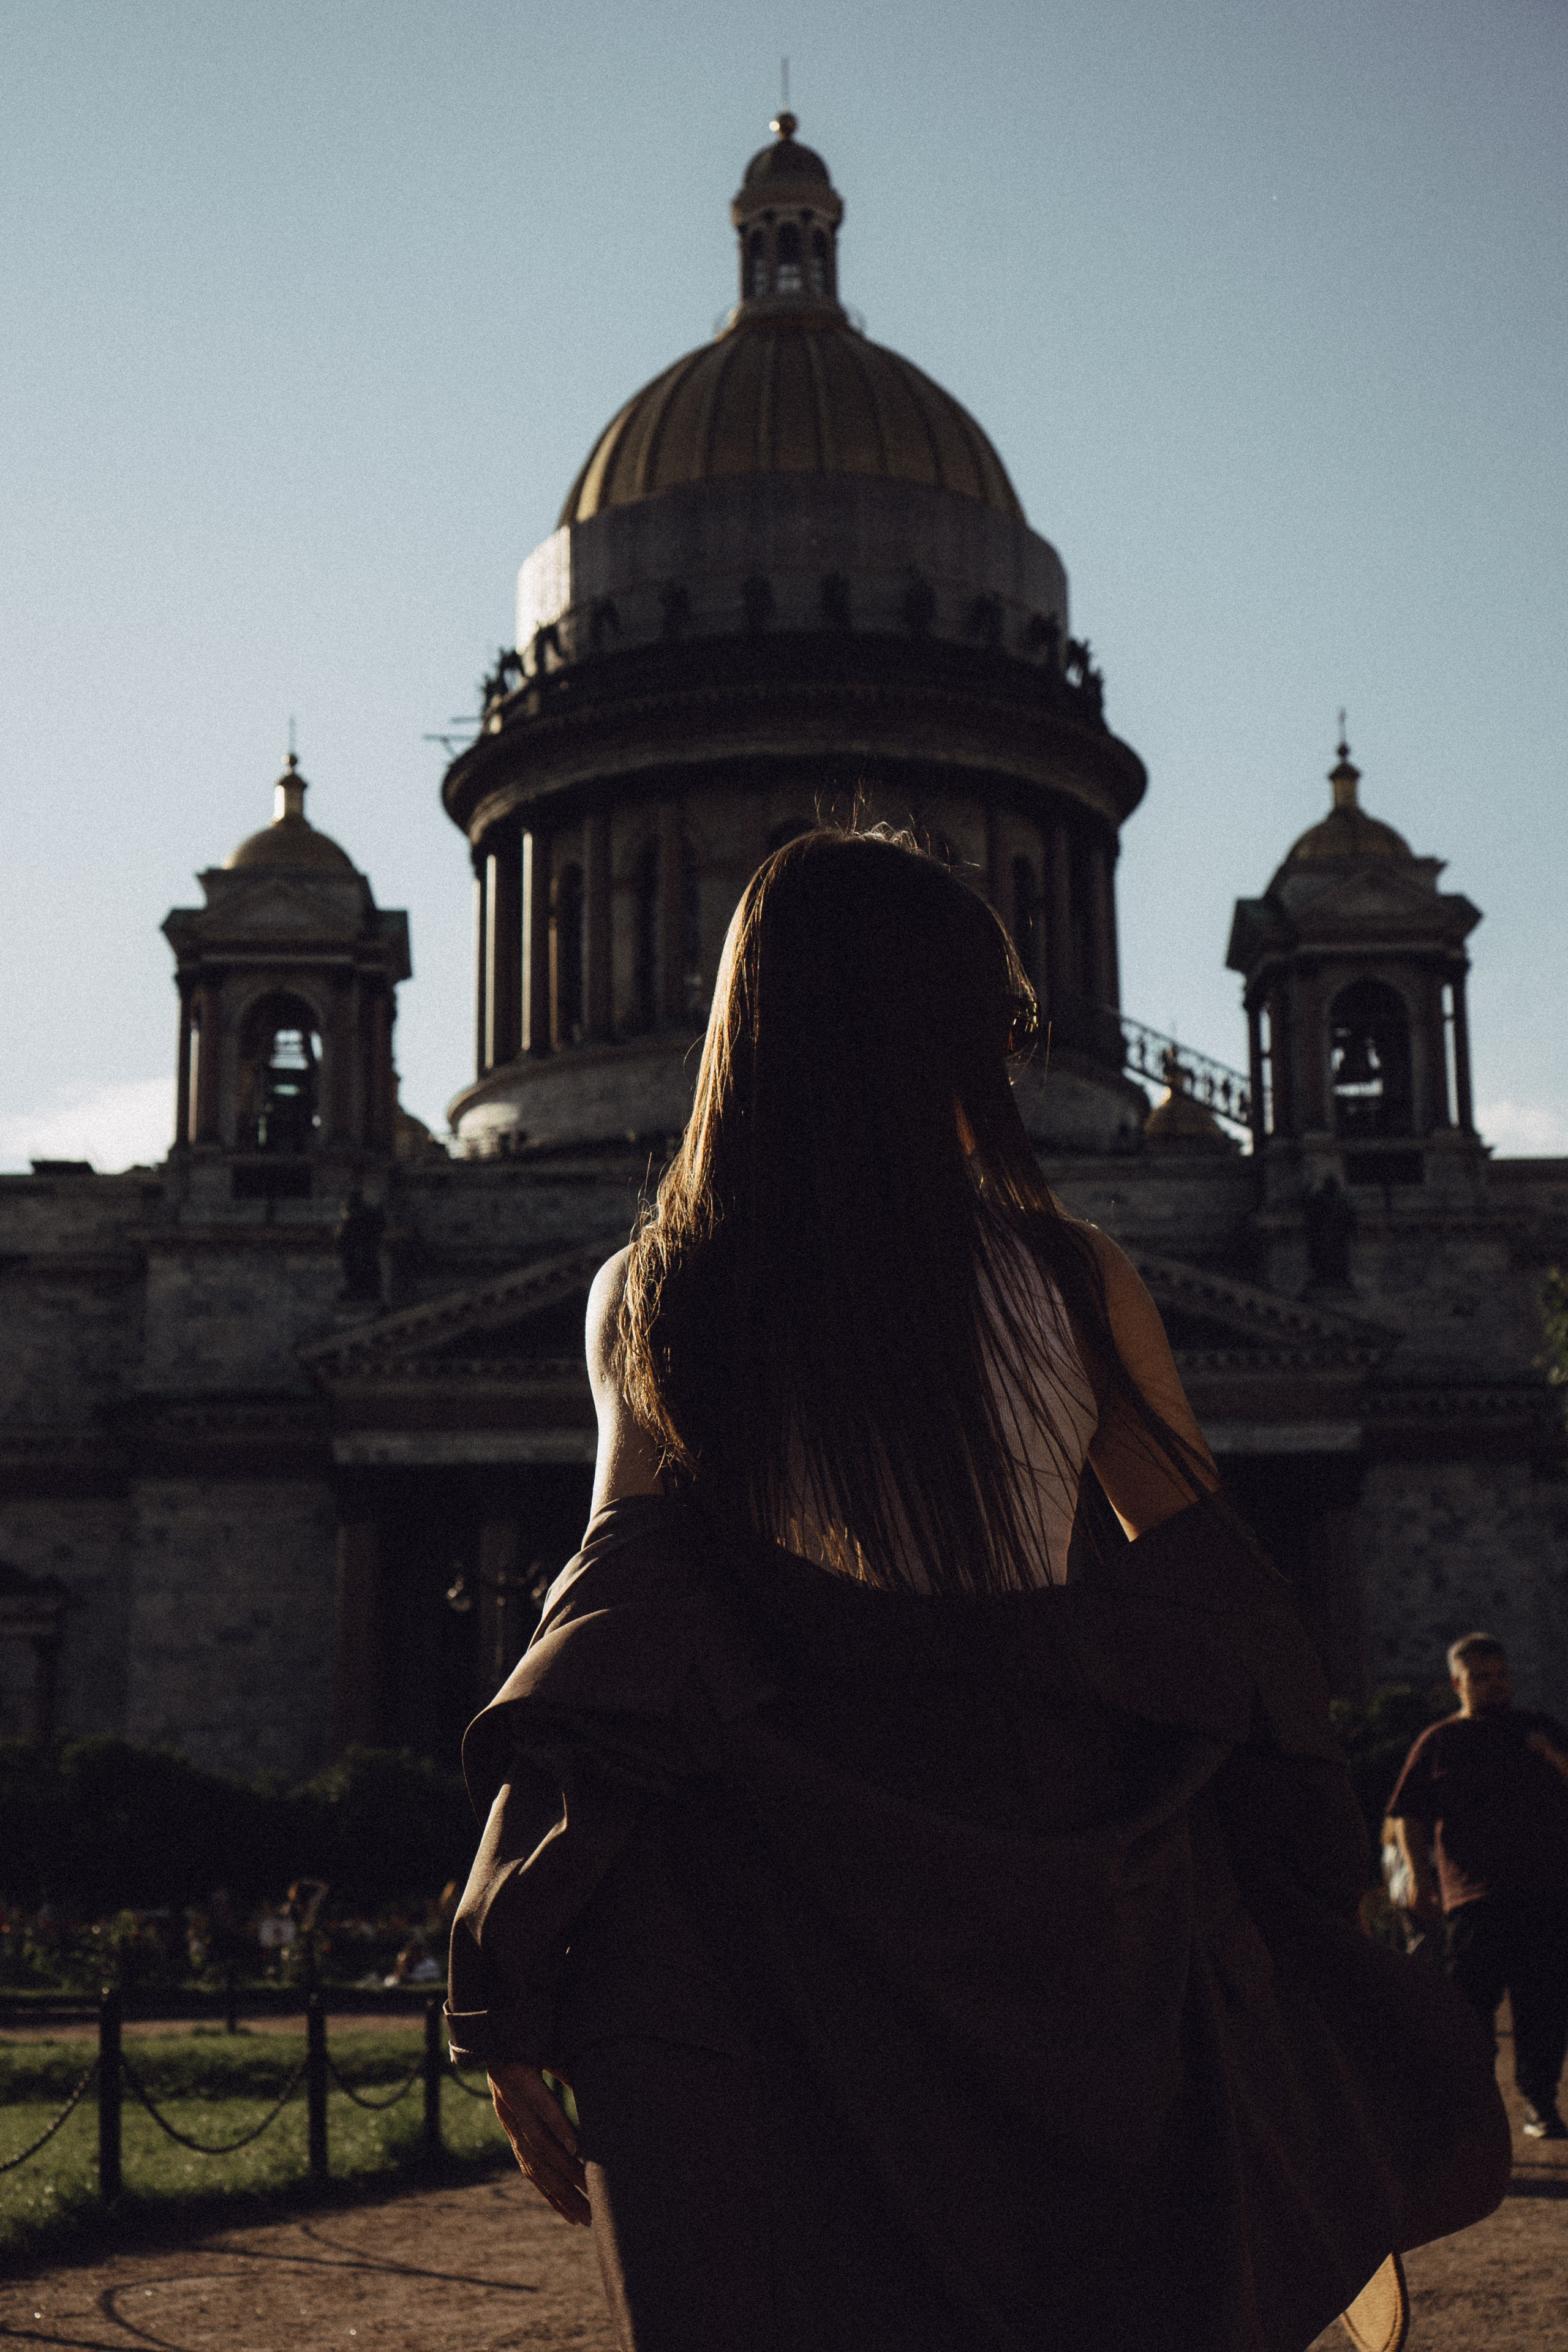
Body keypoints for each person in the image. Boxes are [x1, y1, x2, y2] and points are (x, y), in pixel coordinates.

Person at [448, 827, 1507, 2352]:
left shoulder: (656, 1295)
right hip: (1072, 1887)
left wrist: (510, 1956)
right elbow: (1227, 1606)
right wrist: (1293, 1872)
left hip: (776, 1899)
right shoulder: (1072, 1279)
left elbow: (601, 1642)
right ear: (953, 1035)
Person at [1389, 1631, 1568, 2139]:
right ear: (1458, 1683)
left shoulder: (1541, 1730)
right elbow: (1409, 1816)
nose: (1494, 1686)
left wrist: (1552, 1758)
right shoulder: (1440, 1742)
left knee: (1545, 2007)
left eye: (1501, 1675)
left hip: (1546, 1894)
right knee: (1471, 2010)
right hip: (1474, 1898)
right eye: (1481, 1677)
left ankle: (1540, 2104)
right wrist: (1421, 1880)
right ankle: (1475, 2111)